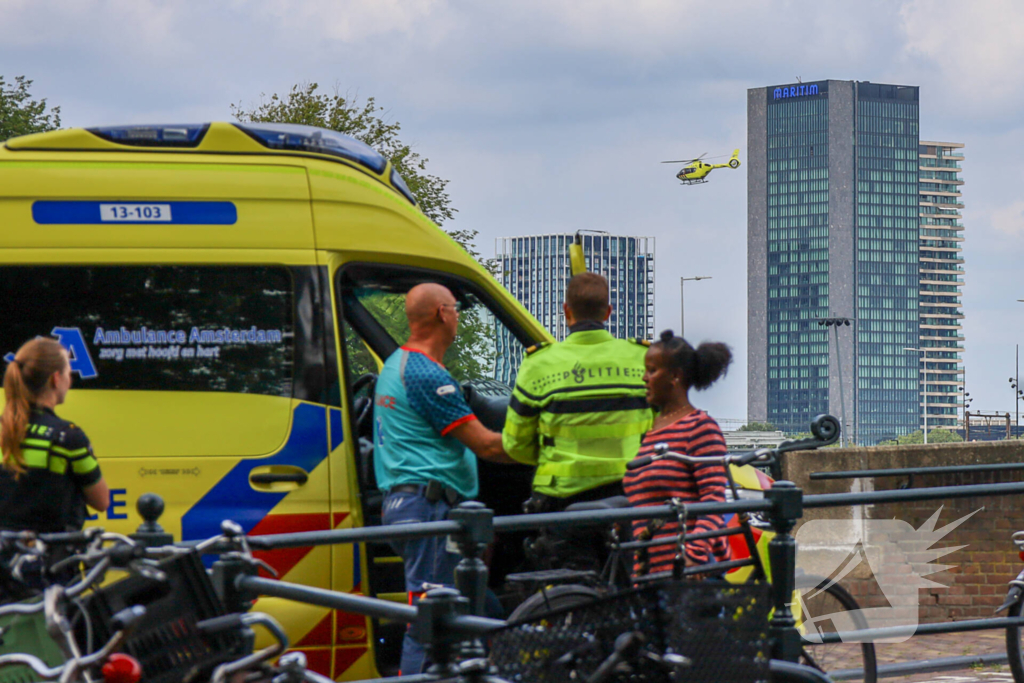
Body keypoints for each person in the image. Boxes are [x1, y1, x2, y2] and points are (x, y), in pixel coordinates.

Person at [373, 283, 512, 675]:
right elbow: (487, 446)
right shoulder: (426, 374)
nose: (458, 316)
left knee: (484, 609)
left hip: (410, 505)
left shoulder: (396, 364)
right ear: (442, 314)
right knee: (432, 626)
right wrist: (549, 445)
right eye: (456, 309)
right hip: (430, 509)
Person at [503, 272, 652, 513]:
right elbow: (662, 428)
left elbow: (515, 444)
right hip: (631, 495)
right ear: (608, 312)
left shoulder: (539, 363)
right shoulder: (642, 358)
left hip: (559, 500)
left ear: (566, 311)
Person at [622, 330, 732, 579]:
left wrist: (693, 554)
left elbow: (714, 501)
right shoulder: (651, 430)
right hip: (652, 572)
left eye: (652, 371)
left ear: (674, 376)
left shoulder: (700, 427)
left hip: (689, 572)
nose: (644, 378)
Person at [0, 337, 109, 534]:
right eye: (68, 373)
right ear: (55, 379)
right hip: (50, 549)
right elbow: (102, 501)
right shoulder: (68, 437)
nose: (70, 380)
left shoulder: (3, 428)